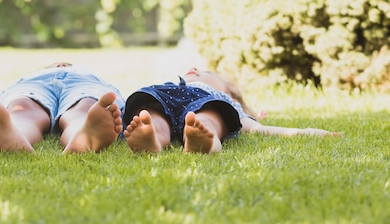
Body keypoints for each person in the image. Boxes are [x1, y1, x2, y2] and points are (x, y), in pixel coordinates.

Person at [122, 67, 341, 154]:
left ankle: (204, 138)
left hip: (204, 102)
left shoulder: (224, 100)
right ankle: (153, 137)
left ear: (230, 95)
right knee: (151, 111)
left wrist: (306, 131)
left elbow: (259, 129)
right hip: (165, 95)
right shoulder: (174, 84)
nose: (196, 69)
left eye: (206, 72)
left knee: (209, 115)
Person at [0, 62, 125, 153]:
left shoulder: (86, 74)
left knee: (86, 107)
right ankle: (14, 135)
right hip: (36, 83)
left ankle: (83, 136)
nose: (61, 65)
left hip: (81, 83)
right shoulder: (35, 75)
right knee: (23, 107)